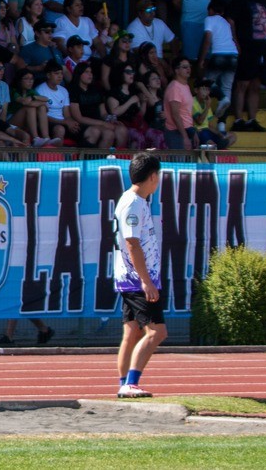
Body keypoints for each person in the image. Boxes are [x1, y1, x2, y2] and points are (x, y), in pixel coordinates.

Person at [113, 154, 165, 399]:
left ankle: (123, 383)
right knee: (157, 332)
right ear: (153, 177)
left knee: (132, 332)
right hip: (137, 280)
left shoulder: (135, 199)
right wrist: (146, 280)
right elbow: (132, 243)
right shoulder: (133, 203)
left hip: (131, 278)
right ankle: (131, 383)